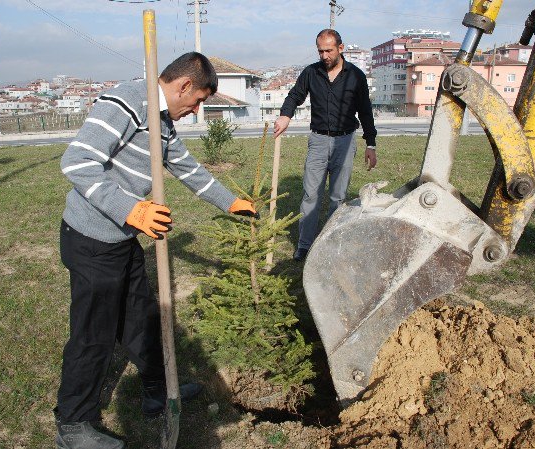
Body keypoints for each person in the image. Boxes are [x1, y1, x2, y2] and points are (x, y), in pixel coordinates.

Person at [55, 52, 256, 449]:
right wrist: (131, 208)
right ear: (182, 86)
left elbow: (187, 167)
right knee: (93, 335)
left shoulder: (162, 122)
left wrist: (230, 201)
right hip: (91, 239)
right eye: (197, 101)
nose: (197, 110)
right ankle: (73, 425)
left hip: (120, 239)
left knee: (141, 318)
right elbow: (77, 162)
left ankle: (155, 392)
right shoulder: (127, 102)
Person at [273, 29, 377, 262]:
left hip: (346, 141)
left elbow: (366, 112)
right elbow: (294, 96)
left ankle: (331, 242)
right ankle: (304, 244)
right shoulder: (311, 73)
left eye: (328, 50)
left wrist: (371, 144)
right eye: (320, 51)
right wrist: (285, 116)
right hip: (318, 141)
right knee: (311, 194)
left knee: (338, 197)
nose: (324, 55)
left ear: (341, 48)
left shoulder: (356, 76)